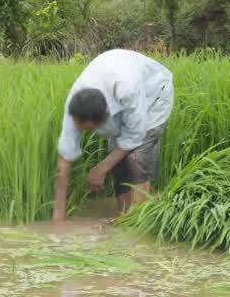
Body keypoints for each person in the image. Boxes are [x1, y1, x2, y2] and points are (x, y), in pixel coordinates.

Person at [53, 49, 175, 221]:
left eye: (92, 128)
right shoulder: (75, 107)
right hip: (116, 84)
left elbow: (136, 136)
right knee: (116, 157)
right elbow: (64, 160)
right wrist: (58, 218)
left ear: (105, 114)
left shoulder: (128, 87)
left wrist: (101, 169)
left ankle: (139, 219)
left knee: (137, 157)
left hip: (153, 95)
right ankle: (122, 217)